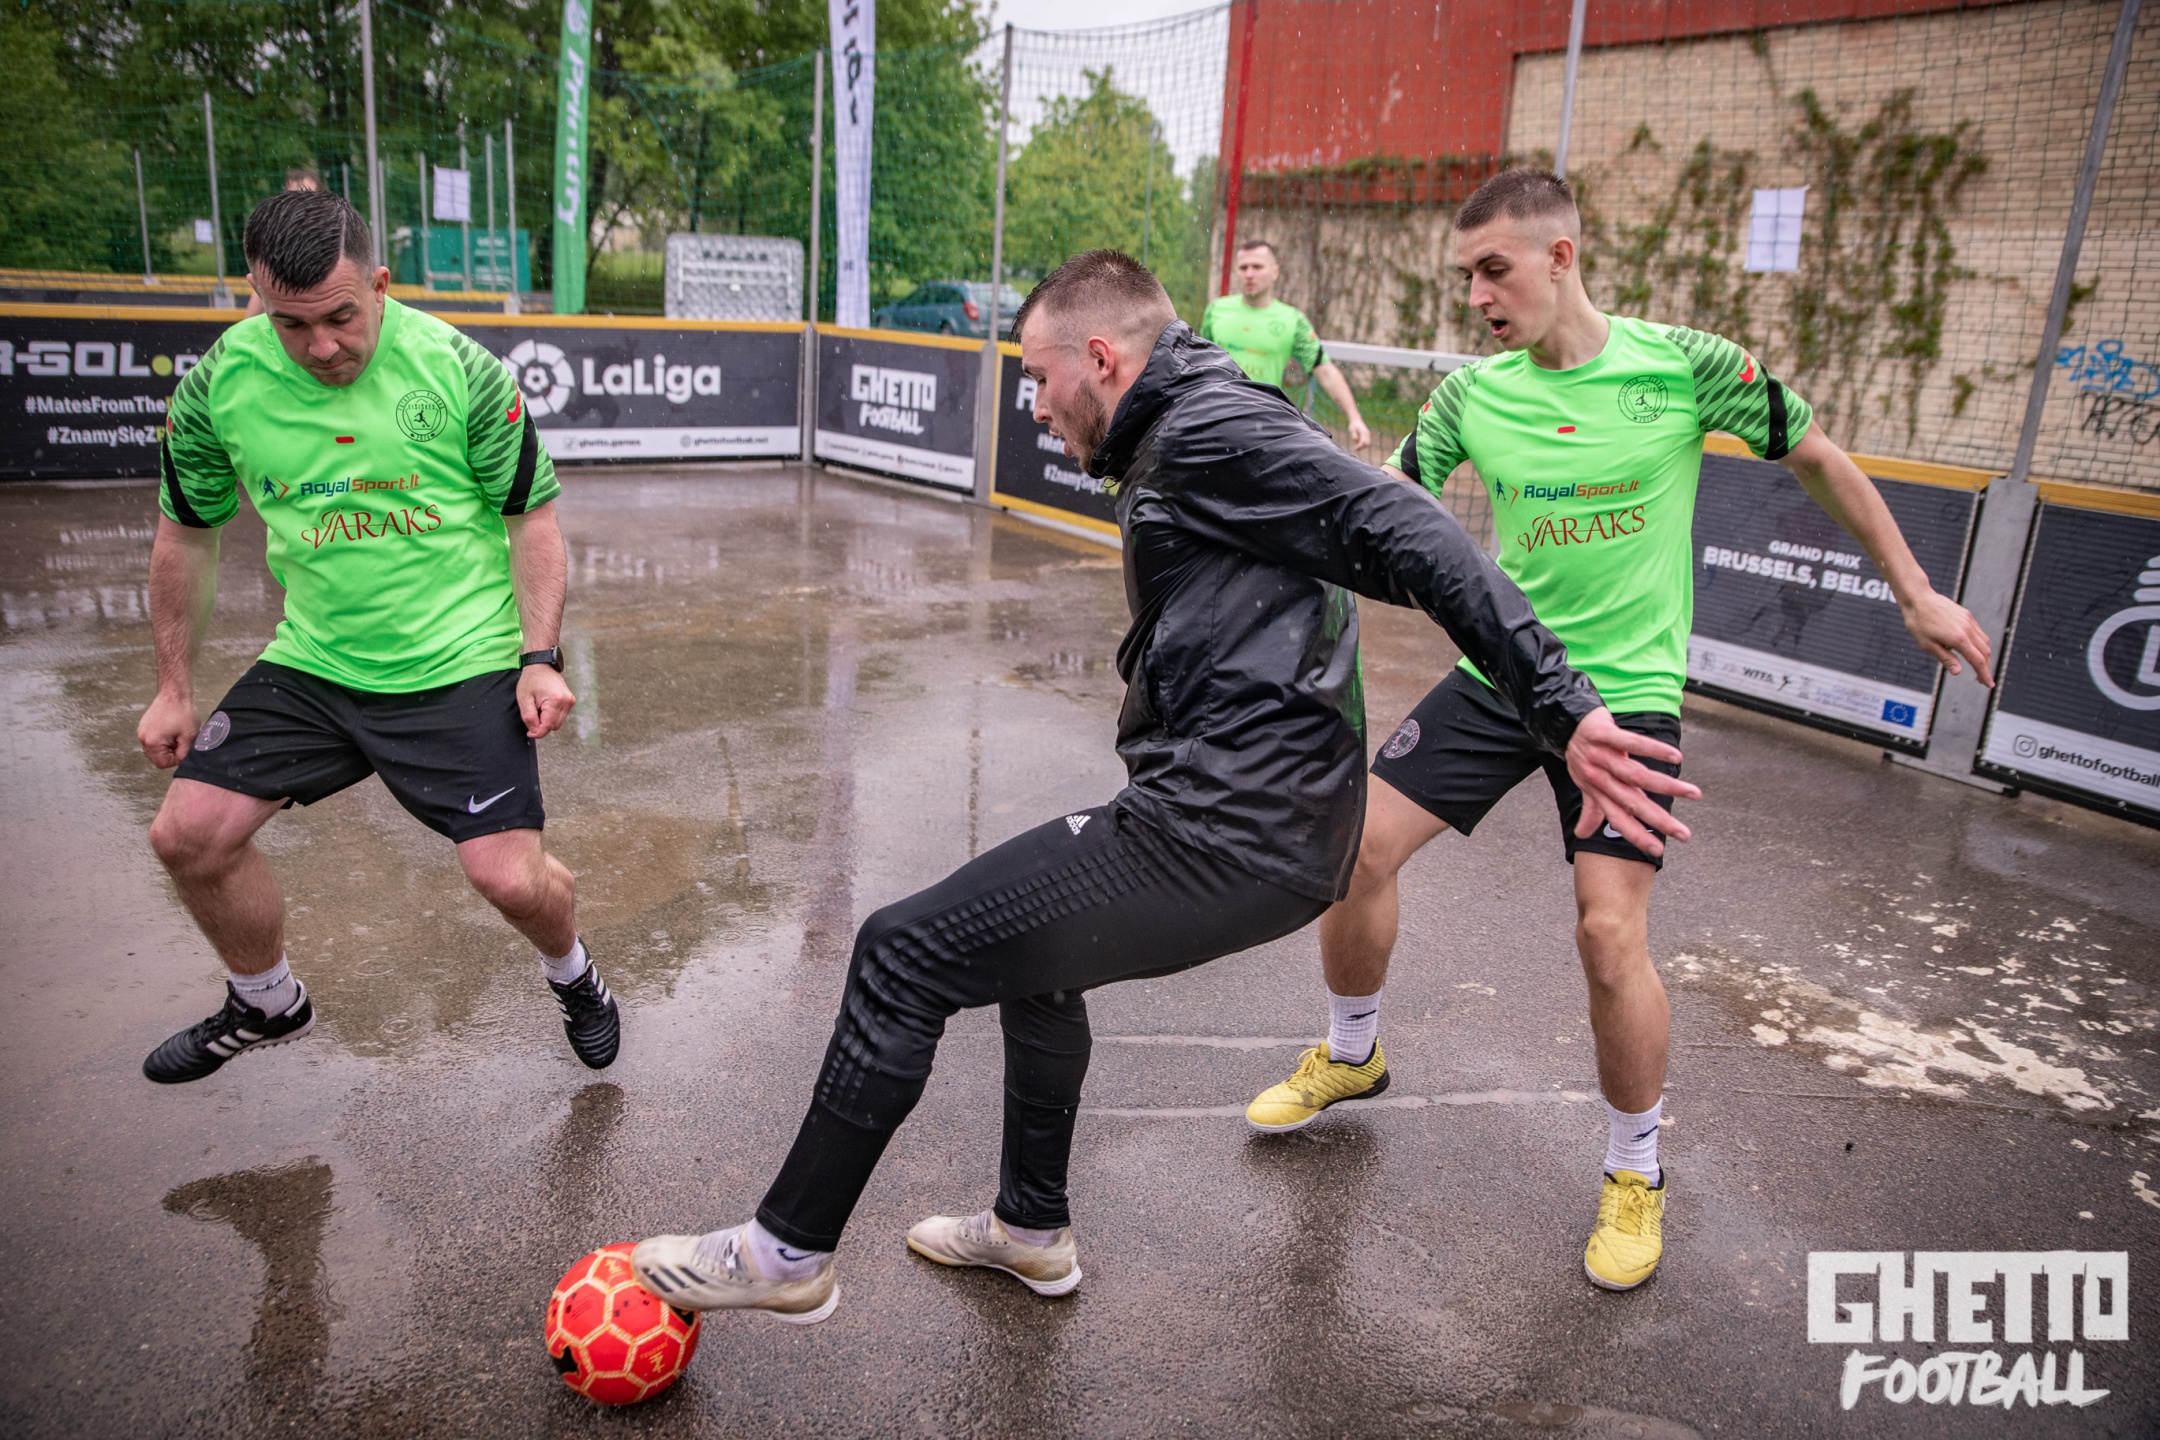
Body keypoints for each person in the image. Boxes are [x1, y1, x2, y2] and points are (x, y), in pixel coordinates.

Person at [625, 249, 1691, 1323]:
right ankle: (1030, 1230)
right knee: (1034, 960)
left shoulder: (1209, 430)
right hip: (1245, 816)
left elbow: (1412, 529)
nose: (1036, 407)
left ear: (1101, 357)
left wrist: (1561, 708)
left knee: (900, 954)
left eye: (1040, 378)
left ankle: (785, 1251)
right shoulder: (1191, 425)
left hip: (1229, 828)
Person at [1243, 168, 1995, 1292]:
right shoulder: (1469, 395)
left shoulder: (1684, 366)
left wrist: (1914, 590)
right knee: (1353, 852)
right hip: (1504, 676)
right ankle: (1354, 1054)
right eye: (1466, 276)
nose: (1477, 296)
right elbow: (1386, 509)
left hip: (1629, 696)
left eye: (1495, 270)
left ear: (1562, 257)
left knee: (1608, 934)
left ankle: (1636, 1170)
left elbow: (1818, 455)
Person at [136, 188, 618, 1083]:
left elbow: (533, 518)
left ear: (381, 285)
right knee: (187, 834)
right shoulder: (218, 386)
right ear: (256, 297)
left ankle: (573, 974)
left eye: (341, 318)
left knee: (509, 880)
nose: (321, 347)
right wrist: (173, 687)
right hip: (317, 659)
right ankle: (266, 1000)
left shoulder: (458, 368)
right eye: (291, 324)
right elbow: (185, 537)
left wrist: (538, 658)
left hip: (462, 657)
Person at [1200, 240, 1374, 452]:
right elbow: (1200, 364)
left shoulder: (1292, 320)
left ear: (1274, 272)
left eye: (1257, 267)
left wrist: (1354, 418)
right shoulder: (1216, 310)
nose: (1249, 274)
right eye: (1243, 268)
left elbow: (1325, 370)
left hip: (1262, 426)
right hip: (1215, 419)